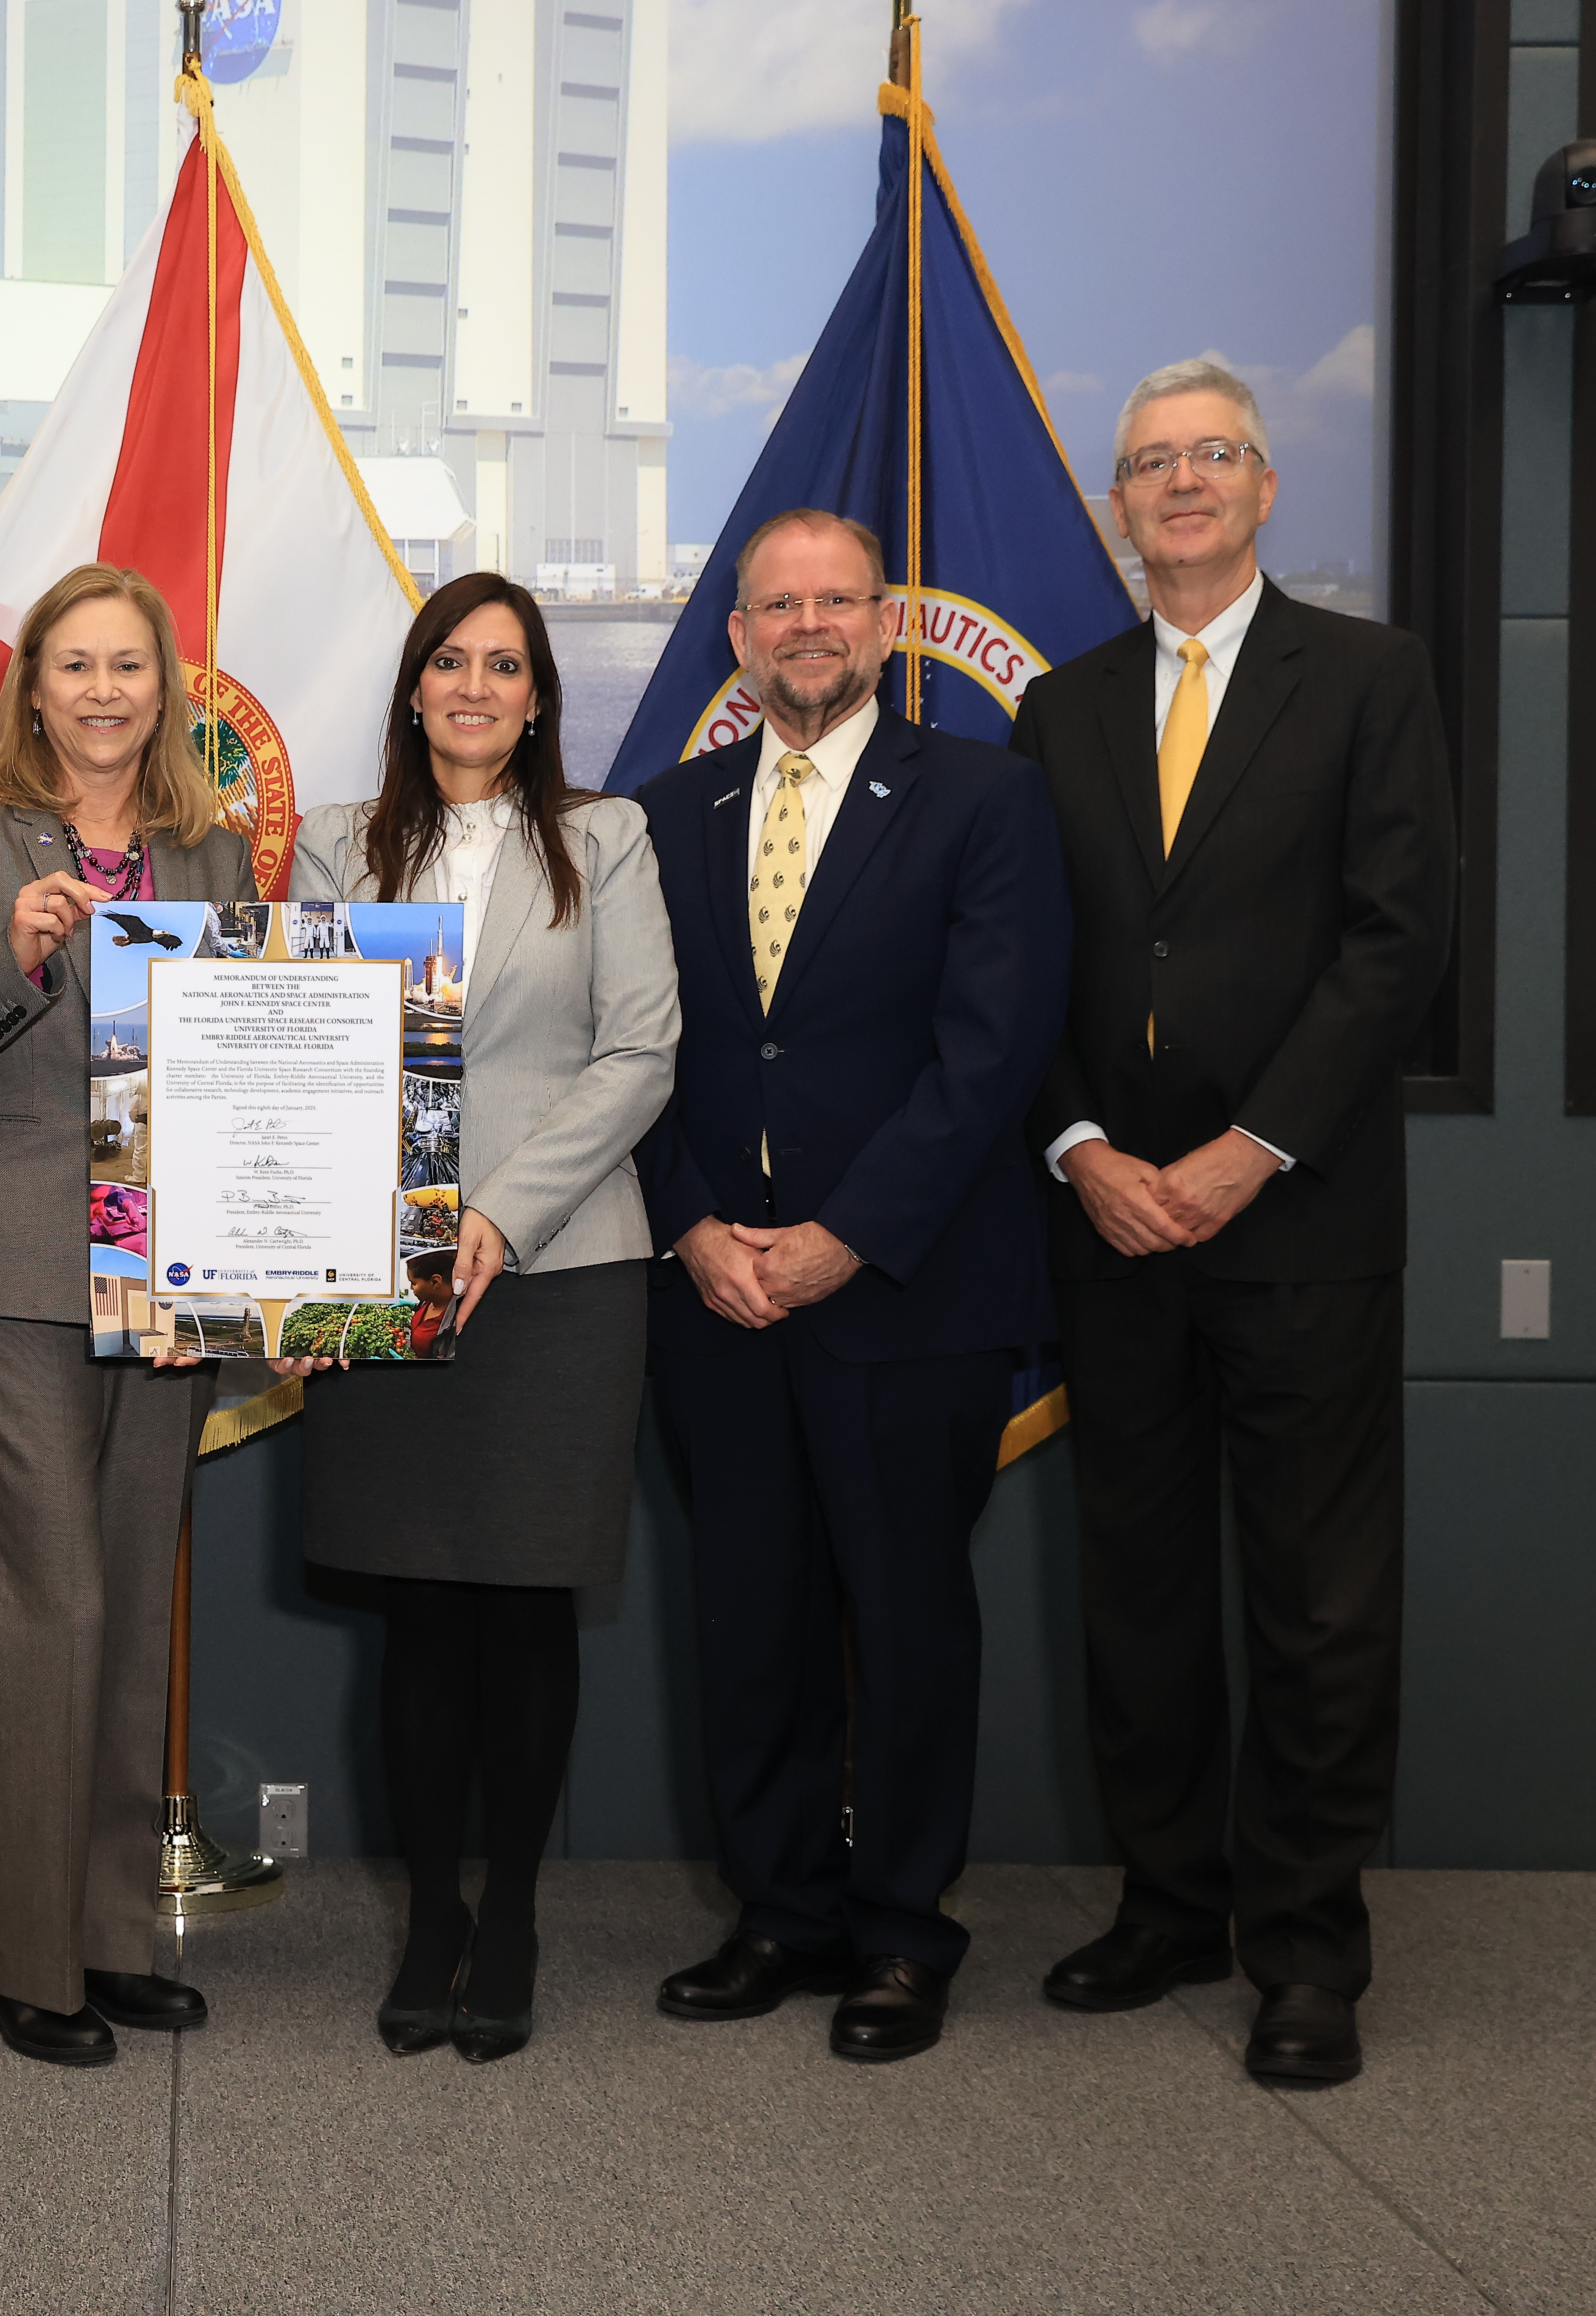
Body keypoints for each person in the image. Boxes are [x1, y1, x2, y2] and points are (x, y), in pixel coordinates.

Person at [1008, 359, 1455, 2086]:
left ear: (1264, 486)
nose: (1177, 484)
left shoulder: (1366, 679)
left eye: (1207, 456)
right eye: (1146, 465)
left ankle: (1304, 1945)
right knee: (1134, 1590)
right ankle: (1166, 1899)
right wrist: (1074, 1143)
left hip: (1296, 1224)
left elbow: (1394, 941)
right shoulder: (1058, 707)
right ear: (1118, 508)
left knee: (1317, 1602)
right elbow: (1018, 959)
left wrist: (1247, 1145)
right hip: (1106, 1220)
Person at [632, 510, 1070, 2065]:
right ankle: (781, 1912)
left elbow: (990, 1054)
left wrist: (840, 1237)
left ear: (883, 625)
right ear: (737, 635)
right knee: (749, 1614)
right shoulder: (660, 813)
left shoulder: (984, 800)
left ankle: (901, 1930)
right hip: (712, 1292)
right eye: (776, 605)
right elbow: (643, 1052)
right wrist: (692, 1228)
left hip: (903, 1288)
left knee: (903, 1618)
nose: (807, 626)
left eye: (836, 601)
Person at [280, 571, 679, 2067]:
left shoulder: (606, 838)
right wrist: (324, 1255)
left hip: (564, 1271)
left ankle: (508, 1916)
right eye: (450, 660)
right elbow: (298, 1057)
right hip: (381, 1277)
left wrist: (494, 1217)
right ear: (412, 685)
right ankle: (430, 1918)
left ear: (536, 696)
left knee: (522, 1609)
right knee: (421, 1614)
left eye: (503, 666)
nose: (473, 687)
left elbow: (641, 1051)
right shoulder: (332, 844)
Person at [0, 561, 255, 2068]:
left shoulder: (211, 856)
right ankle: (25, 1962)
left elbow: (248, 1070)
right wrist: (11, 961)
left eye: (129, 668)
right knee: (49, 1612)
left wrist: (238, 1269)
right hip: (6, 1279)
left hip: (166, 1285)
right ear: (33, 688)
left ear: (166, 692)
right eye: (75, 666)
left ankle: (101, 1932)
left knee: (129, 1610)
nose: (103, 692)